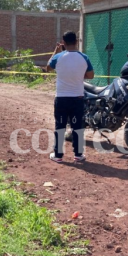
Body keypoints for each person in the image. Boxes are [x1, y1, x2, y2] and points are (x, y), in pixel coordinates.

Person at [46, 31, 94, 163]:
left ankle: (58, 155)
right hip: (77, 98)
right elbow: (90, 75)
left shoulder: (59, 57)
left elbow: (48, 68)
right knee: (77, 126)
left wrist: (56, 51)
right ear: (77, 41)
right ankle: (78, 155)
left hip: (61, 98)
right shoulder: (84, 57)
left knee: (60, 126)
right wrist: (78, 75)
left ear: (63, 42)